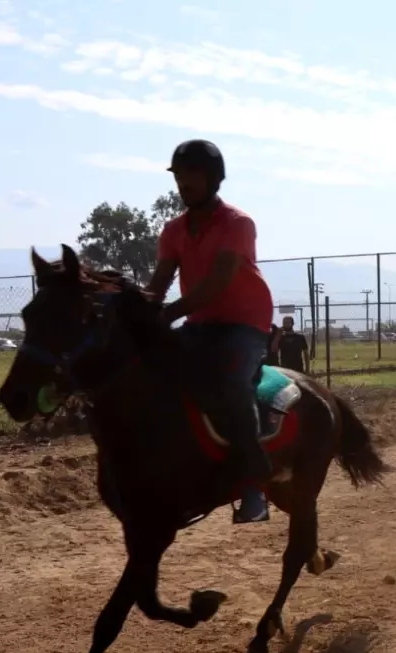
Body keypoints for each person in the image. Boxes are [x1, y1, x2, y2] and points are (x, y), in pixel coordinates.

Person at [147, 139, 273, 524]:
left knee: (232, 382)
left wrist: (169, 314)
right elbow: (159, 283)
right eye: (180, 176)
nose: (185, 183)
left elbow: (218, 282)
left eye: (193, 175)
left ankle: (253, 485)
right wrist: (136, 306)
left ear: (214, 178)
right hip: (200, 324)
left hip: (244, 324)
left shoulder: (238, 224)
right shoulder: (173, 230)